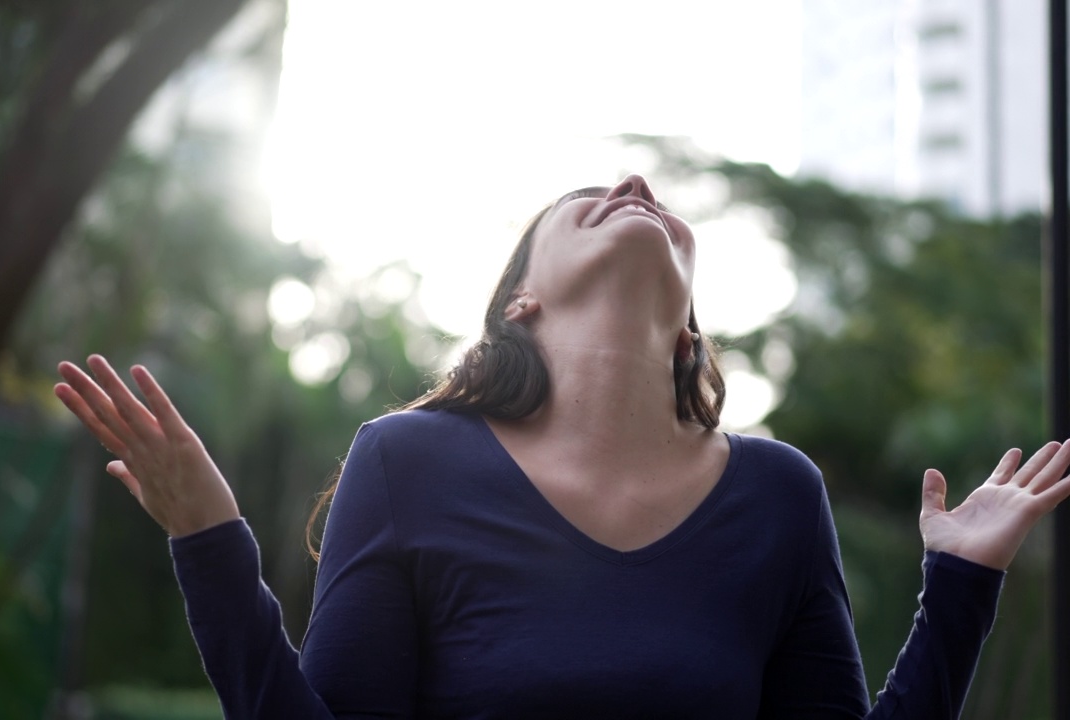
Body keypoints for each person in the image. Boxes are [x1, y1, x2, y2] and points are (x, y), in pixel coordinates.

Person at [54, 175, 1070, 719]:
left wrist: (958, 587)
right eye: (584, 195)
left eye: (658, 204)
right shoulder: (405, 464)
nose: (633, 182)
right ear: (519, 301)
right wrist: (207, 537)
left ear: (688, 325)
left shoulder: (776, 493)